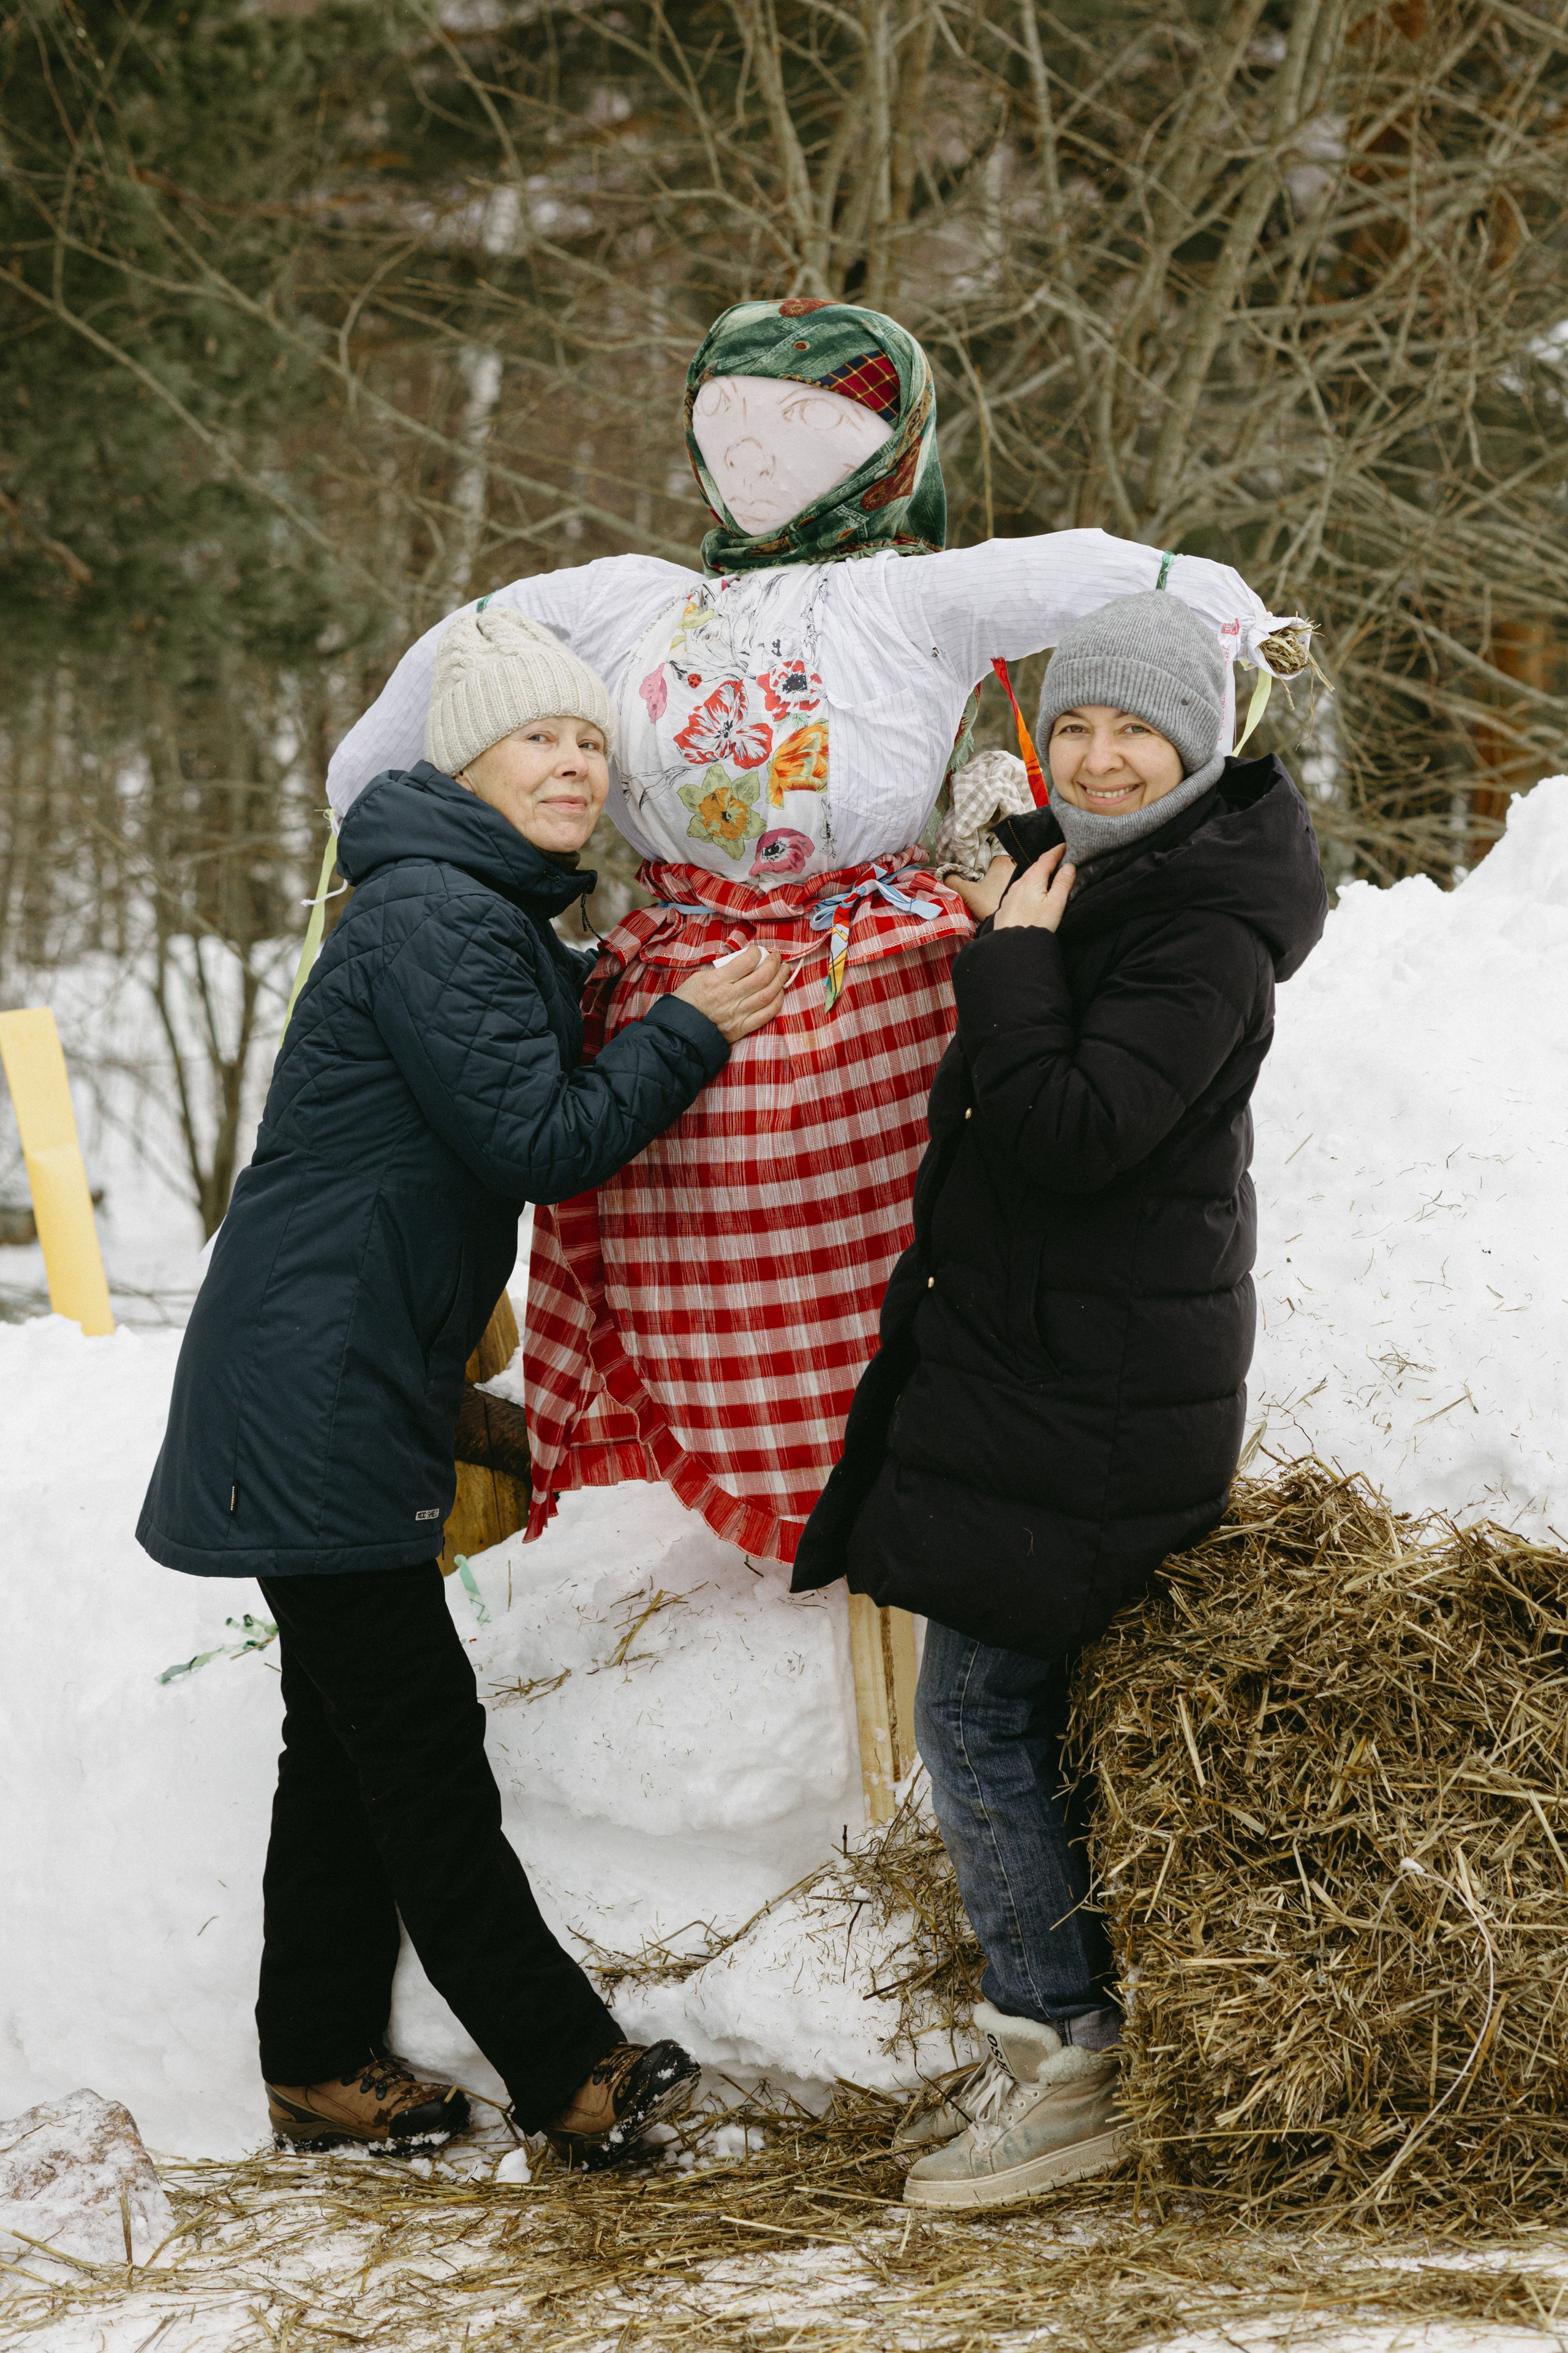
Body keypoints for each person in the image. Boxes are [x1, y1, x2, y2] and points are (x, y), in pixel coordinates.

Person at [325, 296, 1308, 1576]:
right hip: (683, 976)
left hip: (868, 975)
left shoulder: (911, 600)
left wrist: (1217, 610)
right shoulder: (629, 601)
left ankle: (897, 1498)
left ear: (887, 446)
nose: (759, 448)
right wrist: (372, 793)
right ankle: (727, 1524)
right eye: (728, 419)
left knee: (905, 1259)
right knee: (695, 1260)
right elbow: (472, 645)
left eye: (807, 424)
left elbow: (1079, 569)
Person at [137, 608, 787, 2160]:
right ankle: (571, 2072)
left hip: (330, 1376)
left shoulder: (459, 904)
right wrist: (692, 1026)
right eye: (535, 740)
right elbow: (539, 1140)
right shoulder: (435, 910)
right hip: (318, 1390)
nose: (571, 764)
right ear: (464, 762)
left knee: (346, 1739)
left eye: (586, 743)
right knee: (419, 1748)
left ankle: (313, 2060)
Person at [793, 592, 1328, 2209]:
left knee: (975, 1709)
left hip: (1096, 1400)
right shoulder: (1121, 877)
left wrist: (1007, 961)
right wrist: (1006, 889)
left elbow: (1079, 1128)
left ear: (1200, 746)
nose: (1098, 758)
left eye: (1134, 731)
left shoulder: (1204, 930)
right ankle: (1049, 2035)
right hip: (1058, 1371)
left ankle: (1068, 2057)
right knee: (1003, 1711)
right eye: (1073, 726)